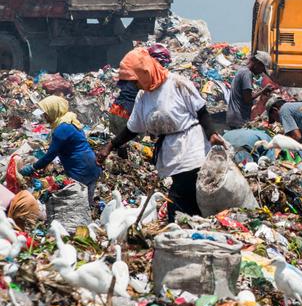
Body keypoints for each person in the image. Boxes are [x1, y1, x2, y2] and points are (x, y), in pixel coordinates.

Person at [99, 48, 226, 221]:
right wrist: (110, 146)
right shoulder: (143, 96)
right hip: (171, 153)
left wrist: (211, 134)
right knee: (186, 198)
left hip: (191, 148)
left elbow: (201, 111)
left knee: (180, 198)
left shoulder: (178, 84)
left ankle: (184, 227)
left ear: (145, 72)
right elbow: (132, 128)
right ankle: (195, 226)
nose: (135, 85)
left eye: (135, 80)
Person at [19, 96, 102, 205]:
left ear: (54, 111)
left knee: (78, 204)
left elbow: (50, 156)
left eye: (46, 113)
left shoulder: (61, 129)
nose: (44, 116)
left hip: (81, 169)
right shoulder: (69, 119)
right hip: (91, 164)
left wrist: (32, 167)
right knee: (87, 200)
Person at [226, 51, 274, 129]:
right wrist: (263, 90)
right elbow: (247, 99)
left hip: (234, 116)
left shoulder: (242, 70)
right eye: (262, 69)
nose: (261, 72)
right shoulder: (247, 74)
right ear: (257, 63)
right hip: (239, 118)